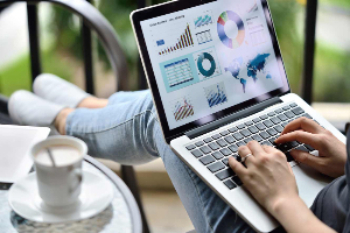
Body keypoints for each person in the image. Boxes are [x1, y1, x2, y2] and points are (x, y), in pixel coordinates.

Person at [8, 74, 350, 233]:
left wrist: (283, 200)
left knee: (169, 116)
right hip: (332, 194)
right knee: (201, 109)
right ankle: (93, 110)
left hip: (296, 220)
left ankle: (68, 121)